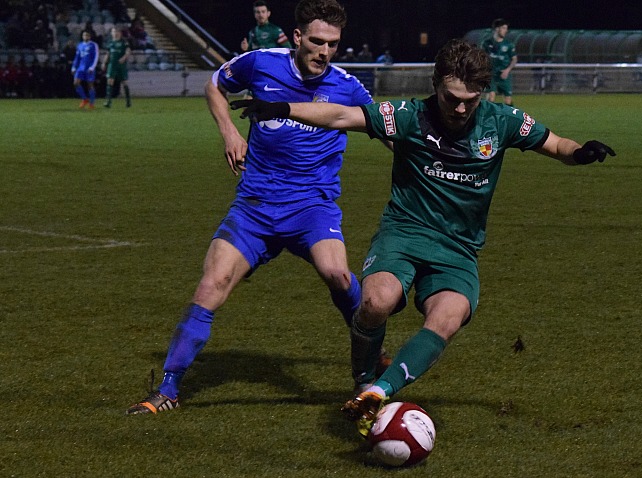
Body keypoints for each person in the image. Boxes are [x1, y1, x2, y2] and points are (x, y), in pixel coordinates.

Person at [230, 38, 616, 436]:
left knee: (448, 317)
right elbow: (341, 116)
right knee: (376, 302)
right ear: (435, 85)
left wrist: (580, 152)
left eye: (471, 99)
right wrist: (283, 108)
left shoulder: (503, 121)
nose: (462, 108)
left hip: (458, 249)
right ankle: (363, 378)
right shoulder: (408, 116)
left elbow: (555, 144)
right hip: (404, 233)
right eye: (452, 98)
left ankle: (378, 391)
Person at [125, 0, 390, 415]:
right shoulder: (260, 63)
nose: (325, 51)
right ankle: (167, 390)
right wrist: (229, 130)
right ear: (297, 37)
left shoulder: (348, 87)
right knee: (212, 285)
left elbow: (387, 128)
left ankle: (370, 362)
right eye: (317, 41)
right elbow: (215, 84)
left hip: (312, 206)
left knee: (338, 274)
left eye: (333, 44)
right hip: (256, 205)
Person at [482, 18, 517, 105]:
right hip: (490, 74)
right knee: (491, 96)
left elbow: (514, 59)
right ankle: (488, 116)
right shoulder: (486, 43)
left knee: (508, 100)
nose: (506, 30)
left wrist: (507, 70)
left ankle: (508, 117)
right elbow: (481, 57)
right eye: (504, 28)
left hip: (504, 74)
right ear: (497, 29)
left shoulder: (508, 44)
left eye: (506, 28)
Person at [102, 26, 132, 107]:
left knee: (124, 82)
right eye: (113, 32)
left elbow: (128, 51)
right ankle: (108, 102)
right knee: (110, 81)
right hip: (112, 64)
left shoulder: (124, 42)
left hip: (121, 65)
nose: (115, 33)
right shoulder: (110, 42)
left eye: (116, 32)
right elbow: (108, 53)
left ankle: (128, 101)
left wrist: (124, 57)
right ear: (112, 33)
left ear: (120, 33)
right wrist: (104, 63)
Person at [71, 30, 99, 109]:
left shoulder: (93, 45)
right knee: (76, 83)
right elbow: (77, 57)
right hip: (81, 67)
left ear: (89, 36)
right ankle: (84, 99)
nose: (85, 37)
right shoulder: (80, 45)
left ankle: (92, 103)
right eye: (84, 35)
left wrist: (92, 67)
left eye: (87, 35)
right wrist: (73, 67)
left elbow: (96, 56)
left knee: (90, 85)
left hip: (89, 67)